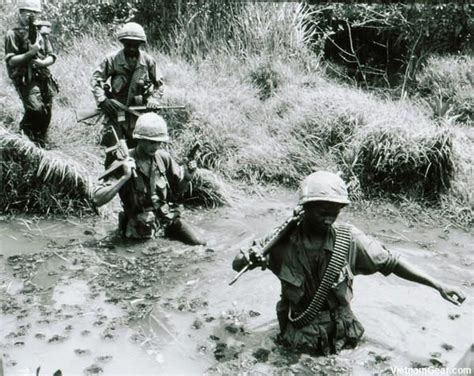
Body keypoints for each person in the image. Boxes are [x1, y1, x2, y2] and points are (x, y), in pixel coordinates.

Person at [232, 171, 465, 355]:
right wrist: (250, 258)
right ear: (305, 208)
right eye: (323, 211)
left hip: (344, 336)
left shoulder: (349, 239)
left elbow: (392, 262)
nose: (329, 219)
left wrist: (437, 285)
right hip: (298, 337)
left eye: (335, 212)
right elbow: (238, 263)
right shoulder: (281, 242)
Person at [93, 112, 205, 246]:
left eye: (159, 143)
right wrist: (125, 177)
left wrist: (187, 179)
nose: (156, 147)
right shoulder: (123, 162)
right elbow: (97, 199)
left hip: (166, 219)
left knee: (199, 243)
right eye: (152, 142)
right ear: (139, 139)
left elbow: (177, 192)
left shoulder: (163, 158)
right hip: (138, 226)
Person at [90, 21, 164, 158]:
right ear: (122, 42)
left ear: (140, 44)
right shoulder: (112, 60)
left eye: (135, 44)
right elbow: (96, 80)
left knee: (139, 152)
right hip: (116, 113)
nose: (131, 47)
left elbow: (160, 84)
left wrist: (154, 99)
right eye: (127, 43)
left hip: (139, 115)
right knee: (114, 151)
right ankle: (112, 178)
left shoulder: (148, 61)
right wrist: (103, 100)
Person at [4, 0, 58, 147]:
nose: (32, 15)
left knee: (46, 111)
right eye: (29, 12)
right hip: (25, 78)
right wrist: (30, 54)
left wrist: (43, 62)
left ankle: (39, 141)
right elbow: (11, 60)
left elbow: (52, 56)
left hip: (44, 76)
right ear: (20, 13)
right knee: (35, 109)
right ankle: (22, 139)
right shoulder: (13, 34)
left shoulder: (41, 33)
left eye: (35, 12)